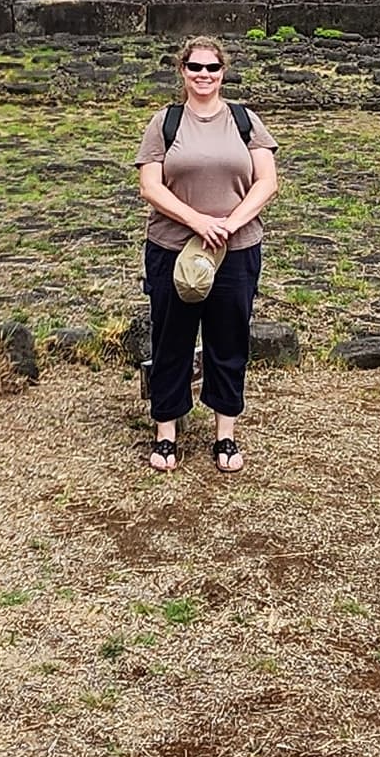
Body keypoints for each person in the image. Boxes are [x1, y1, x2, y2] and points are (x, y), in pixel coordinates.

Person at [134, 35, 280, 473]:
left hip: (236, 250)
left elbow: (267, 182)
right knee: (171, 338)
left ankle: (226, 434)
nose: (204, 75)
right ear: (182, 71)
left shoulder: (245, 121)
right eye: (195, 67)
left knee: (229, 340)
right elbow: (150, 186)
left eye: (212, 68)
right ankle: (165, 433)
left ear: (223, 73)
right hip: (173, 247)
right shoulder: (165, 122)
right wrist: (199, 222)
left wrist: (229, 224)